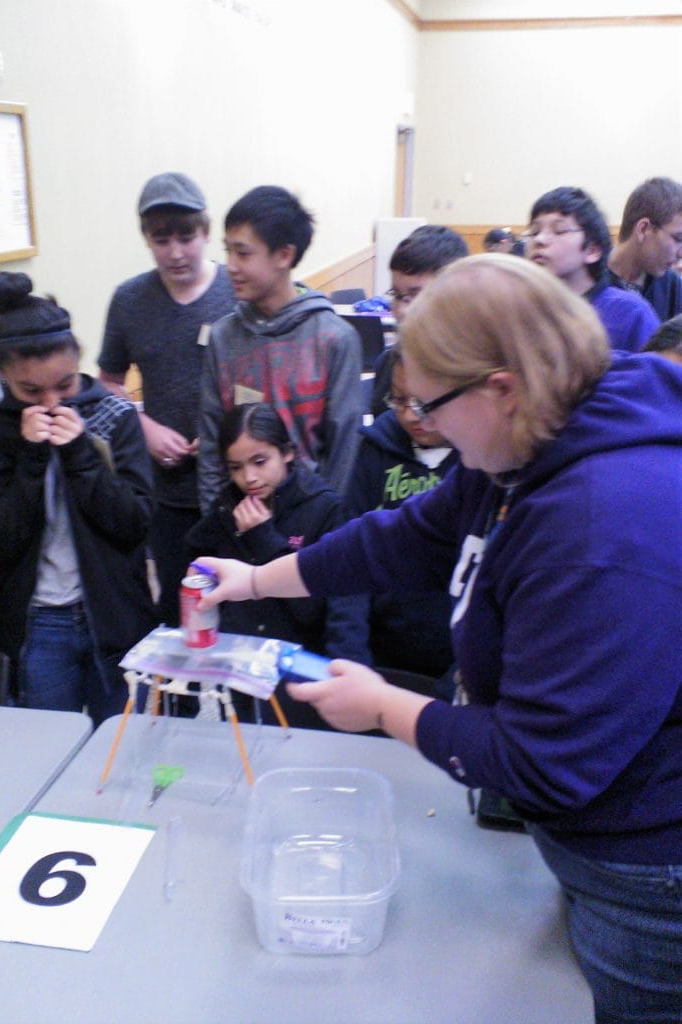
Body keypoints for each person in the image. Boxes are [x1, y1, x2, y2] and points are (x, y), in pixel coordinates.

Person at [193, 254, 682, 1023]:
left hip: (649, 873)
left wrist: (387, 708)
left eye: (430, 405)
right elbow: (403, 539)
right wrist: (255, 580)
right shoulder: (534, 435)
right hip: (597, 829)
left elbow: (542, 763)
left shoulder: (601, 527)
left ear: (501, 386)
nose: (419, 423)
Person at [0, 273, 157, 727]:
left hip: (114, 614)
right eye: (31, 391)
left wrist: (80, 456)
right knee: (50, 746)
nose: (51, 403)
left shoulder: (114, 415)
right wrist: (31, 459)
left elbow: (135, 521)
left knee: (122, 742)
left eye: (64, 386)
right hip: (37, 623)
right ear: (0, 369)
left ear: (79, 362)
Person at [99, 172, 235, 625]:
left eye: (186, 237)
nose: (175, 252)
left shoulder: (236, 292)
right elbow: (108, 382)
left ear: (206, 232)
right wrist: (144, 426)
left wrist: (225, 427)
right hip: (168, 491)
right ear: (146, 240)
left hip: (241, 483)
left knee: (239, 604)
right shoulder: (130, 300)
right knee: (183, 606)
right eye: (161, 240)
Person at [197, 185, 362, 513]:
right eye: (227, 251)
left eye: (243, 253)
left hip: (311, 526)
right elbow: (211, 442)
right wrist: (216, 521)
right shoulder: (222, 337)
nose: (229, 265)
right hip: (239, 521)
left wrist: (323, 528)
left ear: (284, 256)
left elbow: (344, 451)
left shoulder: (335, 338)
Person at [184, 403, 348, 729]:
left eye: (260, 462)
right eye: (235, 468)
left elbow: (314, 611)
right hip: (240, 663)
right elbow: (195, 550)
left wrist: (263, 539)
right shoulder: (228, 504)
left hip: (297, 669)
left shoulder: (323, 508)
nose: (249, 478)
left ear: (287, 453)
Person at [334, 348, 458, 693]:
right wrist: (351, 660)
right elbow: (349, 558)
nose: (409, 415)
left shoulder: (482, 460)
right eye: (399, 400)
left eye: (423, 402)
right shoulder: (375, 449)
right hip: (382, 656)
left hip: (458, 664)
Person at [524, 186, 659, 353]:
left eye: (559, 230)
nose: (540, 239)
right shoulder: (519, 309)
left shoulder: (630, 312)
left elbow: (656, 374)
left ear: (592, 251)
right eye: (534, 231)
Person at [370, 224, 469, 416]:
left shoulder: (476, 371)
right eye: (397, 295)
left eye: (417, 296)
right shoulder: (388, 365)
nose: (401, 310)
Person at [608, 176, 682, 321]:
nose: (681, 254)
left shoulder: (673, 287)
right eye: (678, 239)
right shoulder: (588, 282)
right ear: (643, 229)